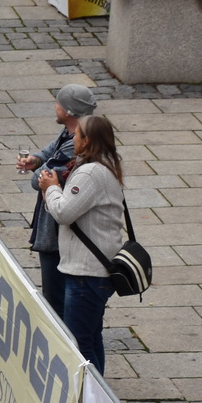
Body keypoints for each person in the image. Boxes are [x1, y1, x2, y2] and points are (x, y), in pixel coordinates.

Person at [37, 114, 126, 371]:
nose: (73, 138)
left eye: (77, 135)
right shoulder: (104, 166)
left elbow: (64, 212)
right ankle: (97, 397)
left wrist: (51, 188)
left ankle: (92, 399)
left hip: (86, 274)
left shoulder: (89, 173)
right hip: (92, 272)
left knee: (79, 345)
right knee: (91, 337)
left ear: (87, 141)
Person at [17, 84, 95, 313]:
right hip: (57, 227)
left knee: (55, 296)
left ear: (69, 111)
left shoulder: (76, 142)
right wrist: (36, 160)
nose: (55, 106)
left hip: (57, 231)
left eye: (58, 103)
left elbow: (38, 181)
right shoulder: (69, 133)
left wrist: (40, 170)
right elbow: (48, 152)